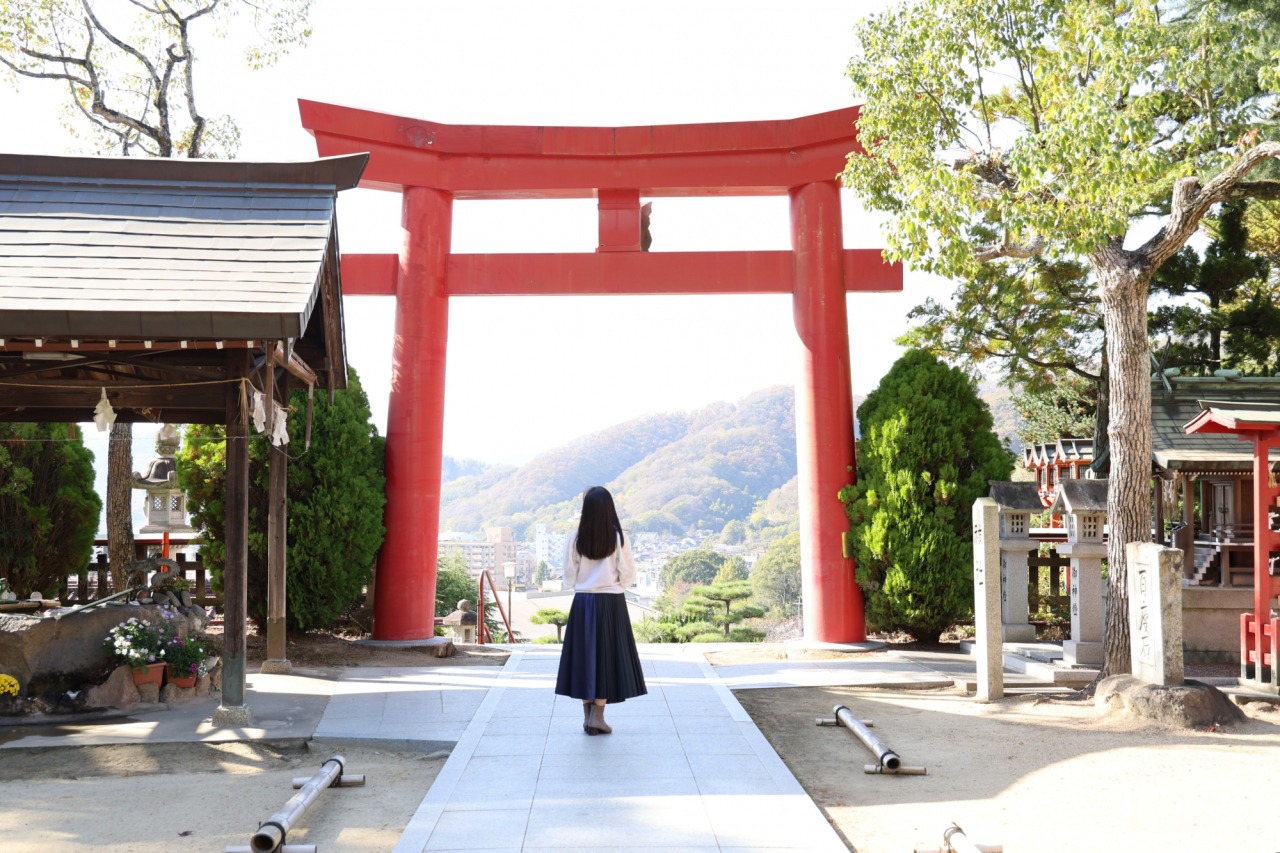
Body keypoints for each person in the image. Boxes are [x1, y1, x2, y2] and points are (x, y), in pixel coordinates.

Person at [554, 485, 647, 734]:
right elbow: (627, 573)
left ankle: (588, 718)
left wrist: (585, 583)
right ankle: (598, 716)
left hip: (583, 602)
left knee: (584, 657)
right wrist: (612, 583)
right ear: (609, 509)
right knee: (606, 657)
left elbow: (568, 573)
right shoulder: (618, 537)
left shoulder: (575, 537)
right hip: (611, 603)